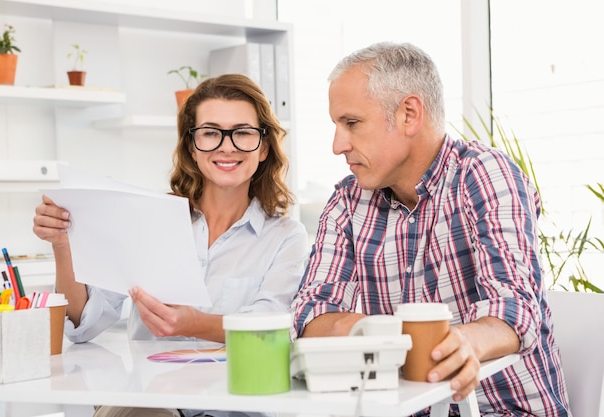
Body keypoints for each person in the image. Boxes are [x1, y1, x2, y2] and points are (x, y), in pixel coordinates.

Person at [290, 42, 571, 416]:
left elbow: (514, 308)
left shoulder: (484, 175)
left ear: (409, 114)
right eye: (336, 125)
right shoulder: (348, 201)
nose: (338, 145)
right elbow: (310, 313)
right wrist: (384, 336)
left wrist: (466, 342)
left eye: (352, 123)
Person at [33, 73, 308, 417]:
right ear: (192, 146)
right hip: (155, 408)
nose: (227, 146)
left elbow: (270, 326)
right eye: (210, 133)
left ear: (264, 146)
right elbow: (85, 324)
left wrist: (193, 324)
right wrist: (62, 244)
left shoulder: (286, 237)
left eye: (242, 132)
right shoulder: (149, 221)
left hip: (238, 409)